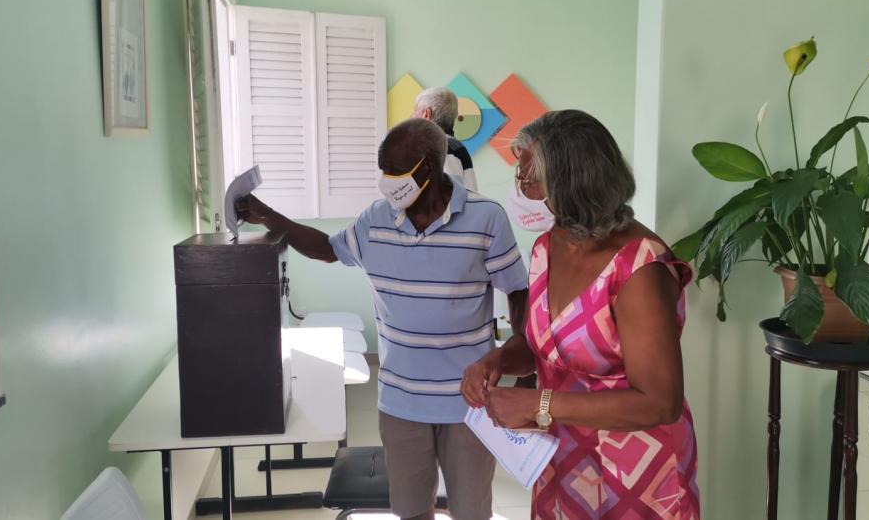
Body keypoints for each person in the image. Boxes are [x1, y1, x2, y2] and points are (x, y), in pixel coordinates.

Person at [237, 118, 529, 520]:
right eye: (383, 170)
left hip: (468, 404)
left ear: (428, 169)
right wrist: (267, 215)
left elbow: (518, 291)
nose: (386, 182)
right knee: (411, 511)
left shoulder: (487, 218)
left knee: (471, 512)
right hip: (401, 402)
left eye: (394, 171)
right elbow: (326, 249)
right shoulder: (375, 219)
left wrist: (521, 358)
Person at [461, 110, 700, 519]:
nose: (519, 190)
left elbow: (660, 403)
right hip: (562, 462)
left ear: (573, 185)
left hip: (638, 476)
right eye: (520, 177)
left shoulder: (639, 268)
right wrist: (497, 360)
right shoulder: (548, 247)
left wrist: (539, 403)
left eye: (529, 180)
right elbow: (547, 347)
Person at [413, 87, 478, 191]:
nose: (413, 116)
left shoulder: (440, 147)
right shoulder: (455, 146)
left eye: (415, 111)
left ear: (427, 113)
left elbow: (449, 195)